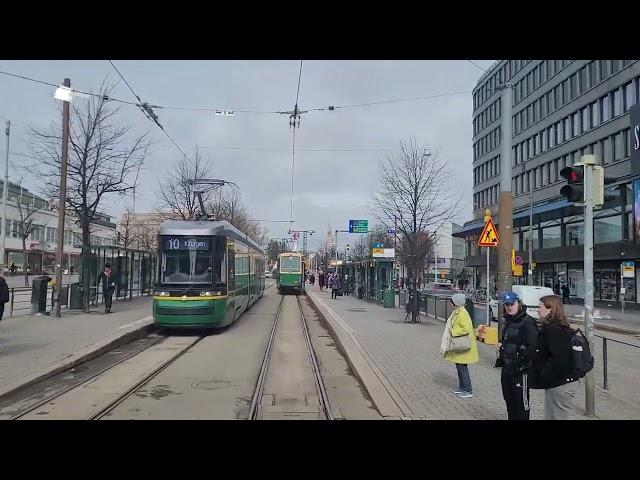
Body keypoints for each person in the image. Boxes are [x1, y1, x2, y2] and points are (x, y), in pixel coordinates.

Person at [531, 295, 578, 420]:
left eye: (540, 307)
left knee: (556, 416)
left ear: (550, 309)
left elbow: (559, 359)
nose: (537, 309)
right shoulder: (554, 328)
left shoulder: (554, 329)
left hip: (559, 384)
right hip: (556, 382)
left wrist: (544, 374)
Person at [495, 291, 539, 420]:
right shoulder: (507, 321)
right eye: (506, 304)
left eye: (512, 304)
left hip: (521, 370)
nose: (509, 307)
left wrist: (514, 351)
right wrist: (501, 346)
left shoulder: (527, 322)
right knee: (509, 401)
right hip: (507, 368)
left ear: (518, 303)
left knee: (521, 404)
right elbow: (508, 341)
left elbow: (533, 347)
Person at [441, 293, 479, 398]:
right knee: (459, 367)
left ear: (455, 303)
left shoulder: (462, 313)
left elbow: (466, 329)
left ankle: (467, 389)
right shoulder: (457, 312)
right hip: (459, 344)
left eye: (451, 301)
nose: (450, 303)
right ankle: (462, 387)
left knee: (462, 368)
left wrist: (453, 331)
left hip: (463, 345)